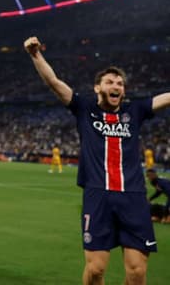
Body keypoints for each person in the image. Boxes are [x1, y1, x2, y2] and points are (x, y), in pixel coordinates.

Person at [24, 35, 170, 285]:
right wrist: (36, 55)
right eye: (110, 82)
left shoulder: (135, 111)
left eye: (120, 84)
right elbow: (54, 82)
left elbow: (166, 97)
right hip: (98, 195)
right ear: (97, 88)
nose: (116, 86)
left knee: (137, 272)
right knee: (95, 270)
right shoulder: (84, 108)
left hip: (133, 196)